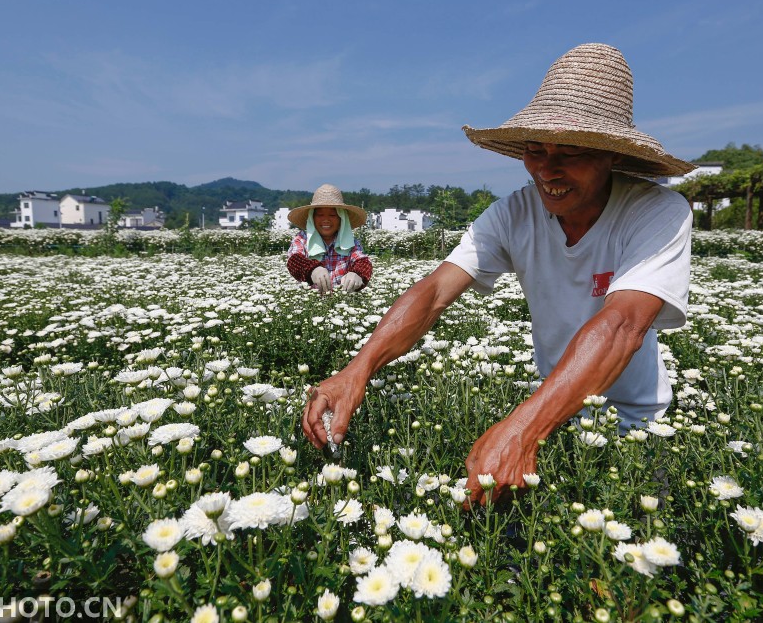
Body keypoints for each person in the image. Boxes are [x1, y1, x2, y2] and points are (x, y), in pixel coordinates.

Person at [302, 43, 695, 506]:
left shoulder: (657, 211)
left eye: (570, 151)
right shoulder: (514, 214)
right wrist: (357, 369)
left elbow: (624, 325)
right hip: (555, 417)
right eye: (535, 149)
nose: (548, 168)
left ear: (611, 155)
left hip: (634, 426)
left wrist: (524, 429)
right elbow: (434, 291)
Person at [286, 184, 373, 294]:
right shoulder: (302, 240)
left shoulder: (350, 243)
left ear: (342, 219)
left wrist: (358, 274)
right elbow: (294, 260)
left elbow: (362, 261)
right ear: (312, 218)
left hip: (342, 302)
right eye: (320, 215)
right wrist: (312, 270)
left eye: (332, 215)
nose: (326, 220)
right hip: (310, 303)